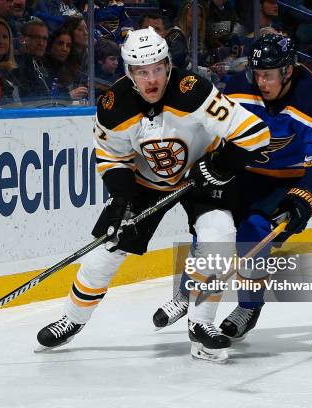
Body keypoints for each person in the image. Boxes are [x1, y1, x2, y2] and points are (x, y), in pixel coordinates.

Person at [35, 27, 271, 362]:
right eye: (142, 72)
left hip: (200, 175)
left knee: (220, 233)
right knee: (108, 248)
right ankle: (71, 319)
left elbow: (255, 134)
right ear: (129, 73)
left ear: (168, 66)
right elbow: (111, 157)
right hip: (145, 182)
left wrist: (218, 168)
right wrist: (121, 199)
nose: (152, 79)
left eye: (158, 69)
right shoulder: (113, 105)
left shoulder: (194, 91)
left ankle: (202, 325)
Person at [152, 33, 312, 342]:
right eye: (257, 74)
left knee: (254, 230)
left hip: (288, 179)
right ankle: (186, 293)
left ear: (288, 71)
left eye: (268, 75)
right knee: (210, 222)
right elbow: (219, 130)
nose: (261, 82)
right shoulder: (241, 86)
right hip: (244, 171)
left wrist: (303, 200)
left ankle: (248, 307)